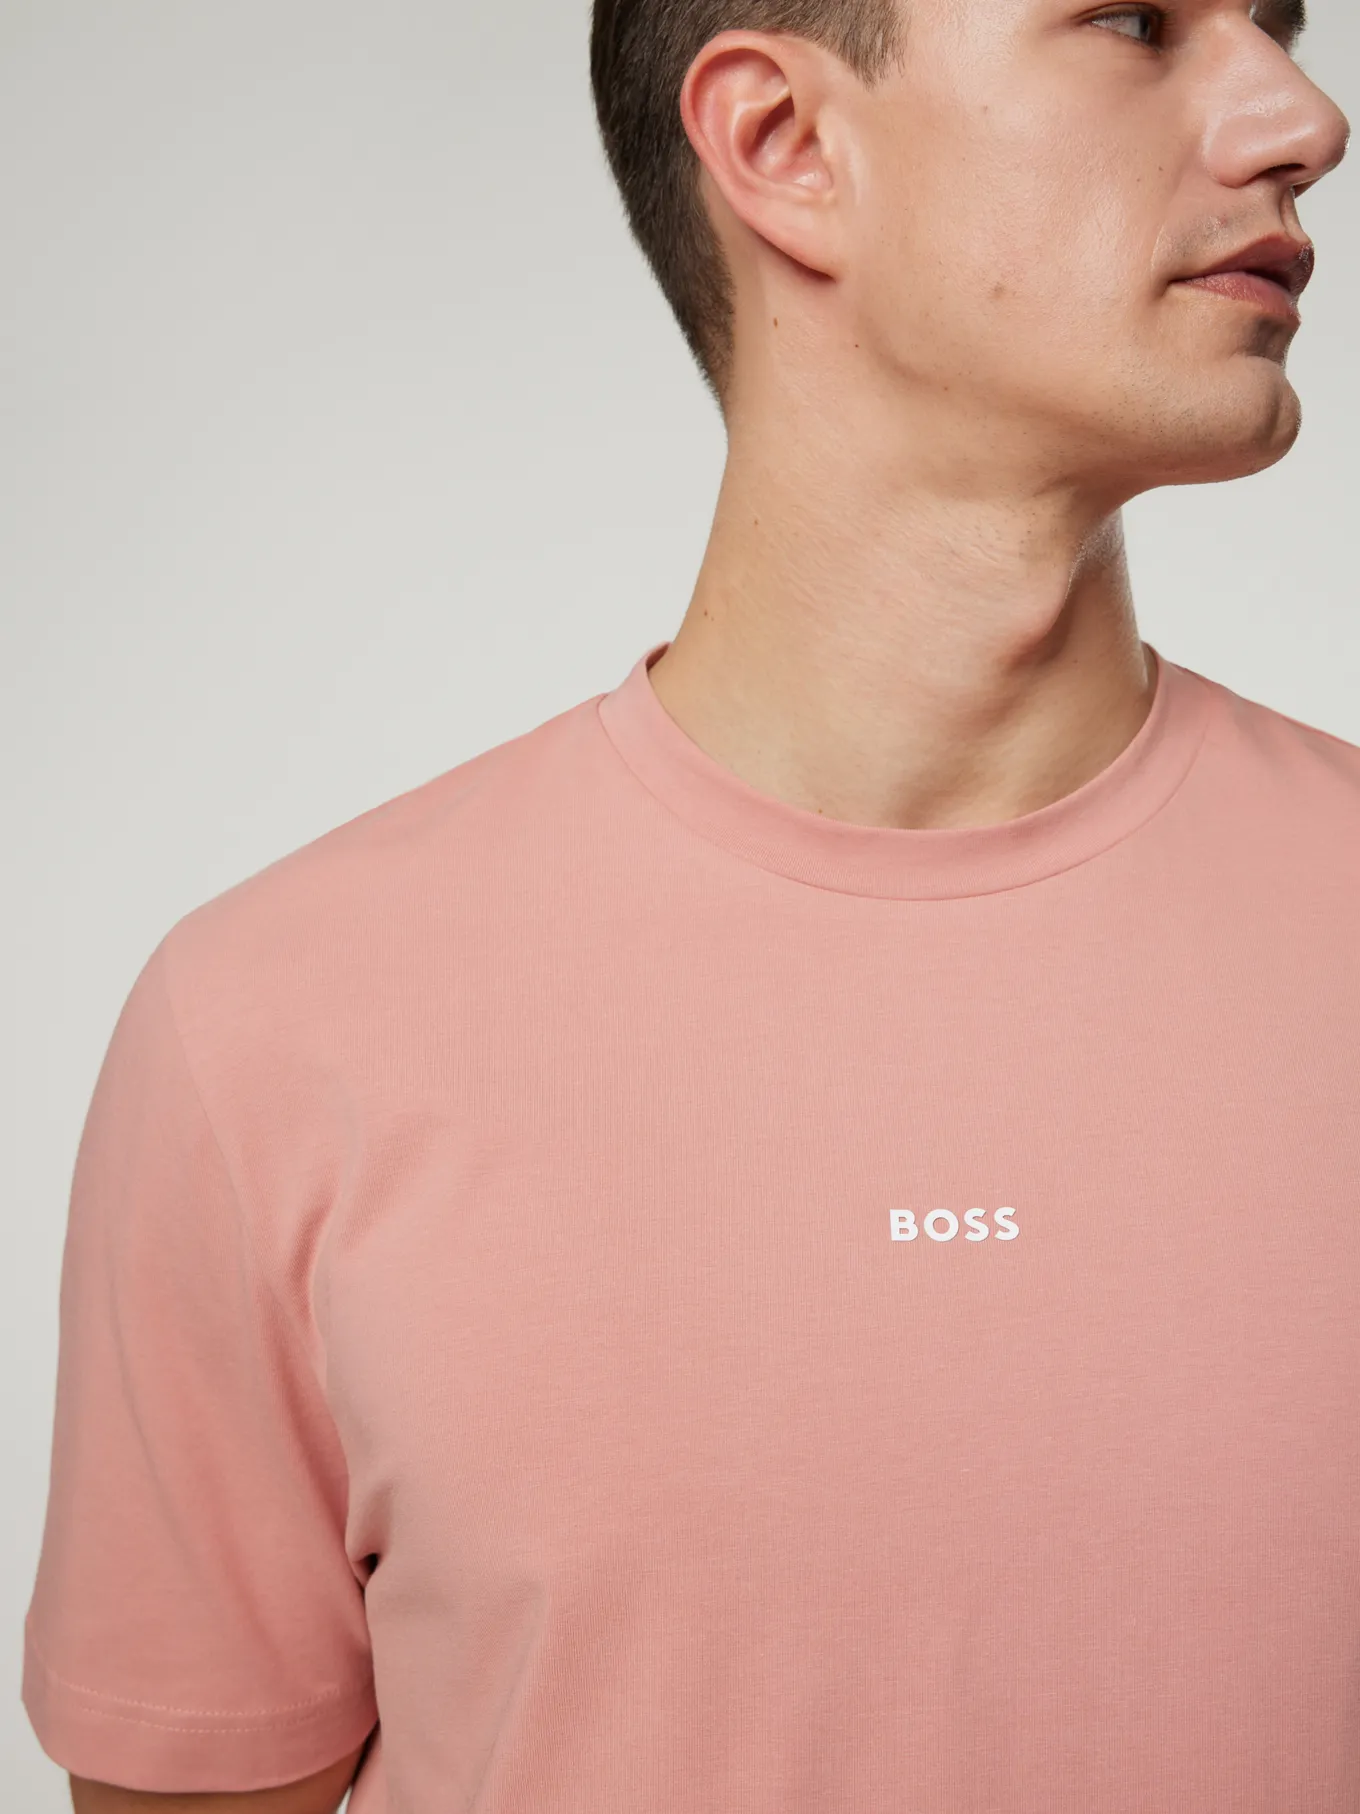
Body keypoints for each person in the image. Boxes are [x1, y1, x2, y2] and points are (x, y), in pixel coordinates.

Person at [21, 0, 1357, 1810]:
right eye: (1135, 21)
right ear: (783, 146)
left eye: (1277, 25)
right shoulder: (268, 1031)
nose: (1303, 117)